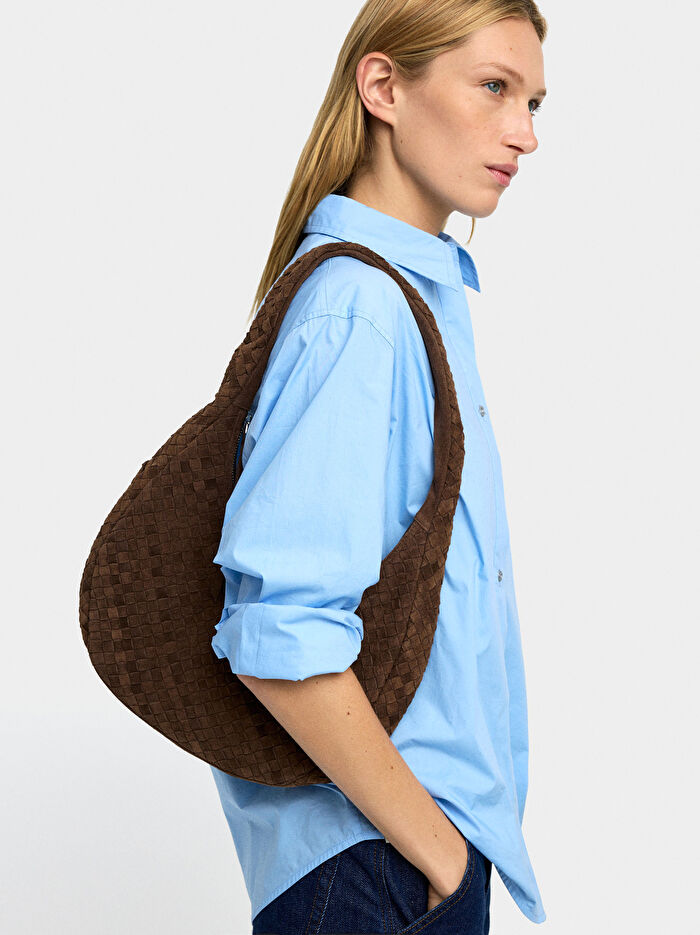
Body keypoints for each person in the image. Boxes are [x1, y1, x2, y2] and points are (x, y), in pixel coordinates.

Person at [209, 1, 548, 931]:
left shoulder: (406, 299)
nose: (524, 134)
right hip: (379, 865)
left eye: (532, 103)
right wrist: (440, 855)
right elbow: (280, 634)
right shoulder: (360, 307)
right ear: (384, 87)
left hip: (392, 859)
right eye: (494, 87)